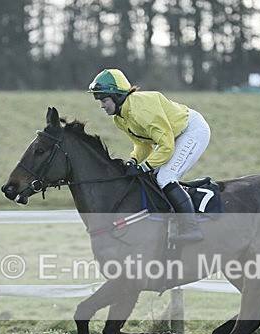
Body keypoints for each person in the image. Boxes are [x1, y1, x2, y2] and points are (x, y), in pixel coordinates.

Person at [88, 68, 210, 243]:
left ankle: (191, 228)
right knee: (152, 178)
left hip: (192, 130)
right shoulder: (120, 118)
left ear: (117, 96)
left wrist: (143, 167)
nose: (102, 105)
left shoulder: (141, 110)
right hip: (173, 135)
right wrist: (134, 161)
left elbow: (166, 147)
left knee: (165, 177)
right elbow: (143, 144)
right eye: (99, 101)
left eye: (104, 100)